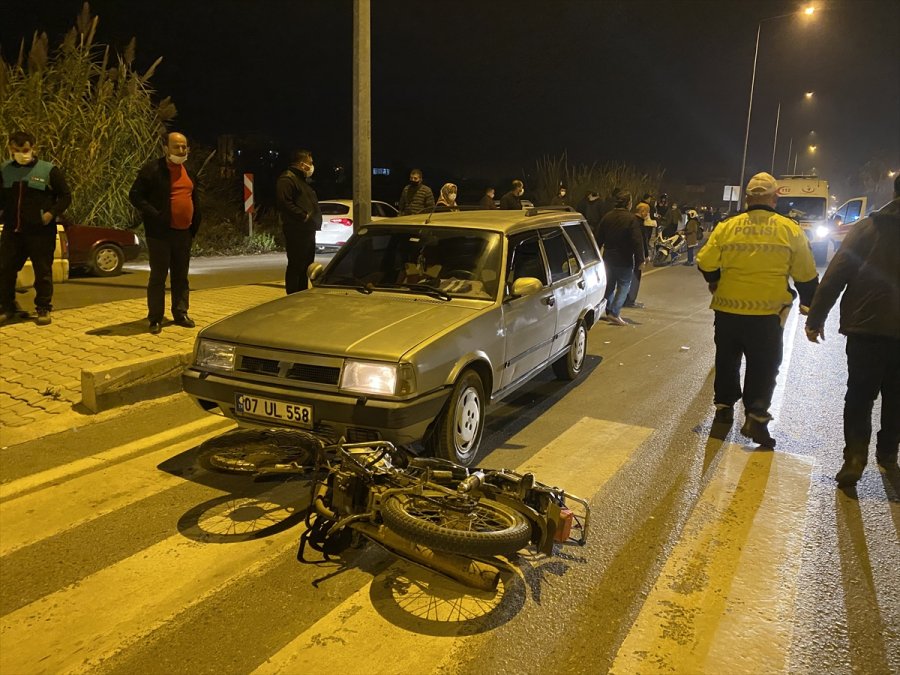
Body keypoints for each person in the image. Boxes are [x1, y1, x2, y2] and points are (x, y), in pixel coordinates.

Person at [697, 172, 818, 447]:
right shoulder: (790, 229)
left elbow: (705, 260)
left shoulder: (728, 226)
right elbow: (806, 273)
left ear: (748, 198)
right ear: (776, 197)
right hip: (766, 314)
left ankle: (724, 407)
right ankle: (756, 415)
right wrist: (809, 304)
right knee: (764, 366)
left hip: (727, 310)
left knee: (727, 359)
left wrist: (715, 280)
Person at [805, 175, 900, 487]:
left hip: (867, 326)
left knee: (860, 395)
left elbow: (837, 273)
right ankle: (888, 456)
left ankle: (855, 457)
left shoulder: (867, 229)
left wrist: (816, 317)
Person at [129, 131, 201, 334]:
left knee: (181, 276)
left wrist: (195, 224)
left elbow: (195, 198)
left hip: (183, 233)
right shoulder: (152, 170)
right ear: (165, 148)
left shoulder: (190, 171)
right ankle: (155, 318)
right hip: (160, 233)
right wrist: (155, 214)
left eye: (184, 146)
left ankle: (180, 313)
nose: (181, 150)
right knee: (158, 277)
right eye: (177, 146)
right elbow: (135, 196)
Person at [0, 131, 72, 326]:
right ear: (10, 149)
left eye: (25, 150)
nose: (22, 154)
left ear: (33, 148)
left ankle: (43, 308)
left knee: (43, 272)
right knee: (5, 270)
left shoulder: (48, 170)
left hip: (40, 233)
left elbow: (65, 196)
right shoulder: (4, 170)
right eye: (17, 150)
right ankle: (6, 307)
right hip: (12, 231)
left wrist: (49, 214)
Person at [275, 149, 322, 295]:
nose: (312, 166)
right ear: (302, 164)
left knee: (306, 266)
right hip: (297, 230)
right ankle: (293, 295)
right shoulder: (287, 179)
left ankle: (301, 293)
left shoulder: (301, 181)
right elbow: (284, 202)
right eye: (310, 163)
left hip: (307, 230)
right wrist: (303, 216)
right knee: (296, 265)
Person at [594, 191, 644, 326]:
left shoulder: (607, 217)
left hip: (608, 257)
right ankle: (615, 313)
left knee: (609, 285)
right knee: (624, 285)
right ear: (628, 203)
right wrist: (641, 260)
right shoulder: (631, 219)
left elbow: (598, 238)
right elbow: (637, 241)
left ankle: (608, 310)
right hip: (624, 258)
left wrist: (595, 255)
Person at [624, 201, 655, 308]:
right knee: (635, 278)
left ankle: (625, 299)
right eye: (647, 212)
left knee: (626, 278)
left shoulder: (630, 220)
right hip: (636, 255)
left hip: (627, 253)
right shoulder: (639, 224)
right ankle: (630, 300)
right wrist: (645, 256)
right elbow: (642, 242)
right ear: (642, 212)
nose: (648, 214)